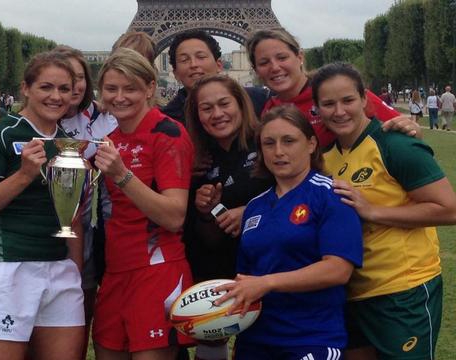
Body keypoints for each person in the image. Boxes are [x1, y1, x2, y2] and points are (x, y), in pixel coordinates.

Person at [311, 62, 456, 360]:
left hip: (402, 291)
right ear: (317, 109)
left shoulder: (396, 145)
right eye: (328, 104)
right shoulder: (325, 159)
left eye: (348, 100)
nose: (339, 111)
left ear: (365, 99)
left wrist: (373, 211)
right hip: (351, 293)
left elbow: (449, 210)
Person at [0, 51, 85, 360]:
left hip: (59, 269)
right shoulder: (0, 133)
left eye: (64, 89)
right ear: (25, 88)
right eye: (46, 87)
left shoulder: (68, 141)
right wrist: (25, 175)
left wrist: (75, 270)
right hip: (5, 267)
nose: (56, 96)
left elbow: (73, 216)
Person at [214, 105, 363, 360]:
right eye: (269, 143)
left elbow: (338, 270)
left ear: (311, 144)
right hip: (255, 341)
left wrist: (268, 283)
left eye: (289, 141)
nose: (279, 152)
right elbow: (246, 280)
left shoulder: (332, 195)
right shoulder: (254, 207)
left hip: (310, 339)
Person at [92, 48, 195, 359]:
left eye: (131, 88)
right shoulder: (110, 138)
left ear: (150, 88)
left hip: (156, 269)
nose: (120, 97)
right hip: (116, 270)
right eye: (111, 89)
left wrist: (122, 175)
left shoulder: (168, 134)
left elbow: (174, 216)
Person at [184, 74, 274, 360]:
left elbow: (303, 193)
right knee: (211, 345)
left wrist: (249, 212)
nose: (217, 114)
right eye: (206, 108)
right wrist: (206, 212)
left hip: (271, 268)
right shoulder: (198, 160)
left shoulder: (269, 142)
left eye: (224, 103)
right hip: (220, 270)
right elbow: (210, 240)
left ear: (241, 103)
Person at [245, 27, 419, 148]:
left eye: (282, 57)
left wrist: (414, 130)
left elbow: (409, 135)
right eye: (264, 62)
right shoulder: (268, 111)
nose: (274, 67)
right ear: (256, 70)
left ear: (299, 57)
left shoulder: (339, 92)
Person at [53, 44, 118, 359]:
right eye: (64, 78)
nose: (73, 85)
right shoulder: (33, 125)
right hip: (37, 236)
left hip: (85, 233)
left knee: (78, 314)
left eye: (78, 77)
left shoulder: (106, 119)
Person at [163, 30, 270, 125]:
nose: (193, 64)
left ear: (219, 65)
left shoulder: (260, 99)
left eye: (201, 57)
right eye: (184, 60)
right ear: (175, 73)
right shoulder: (166, 120)